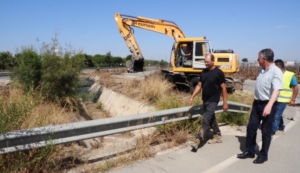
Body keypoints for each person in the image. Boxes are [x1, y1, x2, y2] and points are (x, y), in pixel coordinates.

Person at [237, 48, 283, 164]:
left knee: (266, 131)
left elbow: (276, 90)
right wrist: (254, 101)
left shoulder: (276, 71)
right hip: (257, 103)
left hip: (268, 104)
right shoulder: (261, 70)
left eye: (259, 57)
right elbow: (259, 89)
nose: (257, 59)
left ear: (264, 58)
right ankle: (250, 151)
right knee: (251, 128)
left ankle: (263, 155)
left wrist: (269, 105)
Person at [188, 53, 228, 150]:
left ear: (213, 61)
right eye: (205, 62)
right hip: (205, 99)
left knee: (205, 120)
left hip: (214, 100)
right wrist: (192, 96)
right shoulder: (204, 72)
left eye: (208, 62)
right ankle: (217, 135)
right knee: (211, 118)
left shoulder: (218, 73)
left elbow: (223, 88)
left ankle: (198, 140)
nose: (206, 63)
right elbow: (199, 86)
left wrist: (225, 102)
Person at [272, 59, 298, 136]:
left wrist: (293, 99)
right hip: (274, 99)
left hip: (283, 100)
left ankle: (272, 132)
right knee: (277, 115)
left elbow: (296, 88)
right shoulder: (274, 74)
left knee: (276, 116)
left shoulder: (290, 75)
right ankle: (281, 127)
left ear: (280, 67)